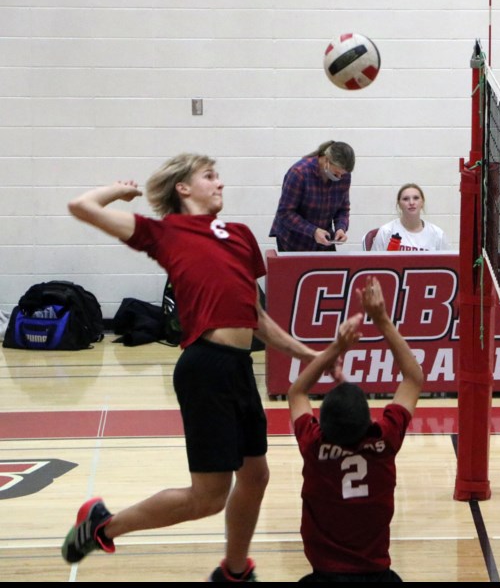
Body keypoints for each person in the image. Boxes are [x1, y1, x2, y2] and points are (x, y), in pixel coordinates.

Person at [62, 154, 321, 582]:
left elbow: (254, 315)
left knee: (255, 476)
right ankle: (103, 526)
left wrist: (304, 353)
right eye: (210, 176)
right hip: (205, 368)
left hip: (239, 368)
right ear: (184, 188)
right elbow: (81, 207)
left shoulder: (239, 235)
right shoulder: (165, 233)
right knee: (208, 497)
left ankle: (234, 571)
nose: (220, 183)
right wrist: (120, 191)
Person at [288, 277, 424, 582]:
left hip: (323, 576)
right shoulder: (384, 439)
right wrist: (382, 320)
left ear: (320, 425)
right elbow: (413, 378)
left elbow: (297, 393)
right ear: (372, 422)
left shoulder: (313, 444)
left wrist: (337, 346)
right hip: (377, 576)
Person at [270, 140, 355, 252]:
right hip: (293, 241)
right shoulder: (299, 173)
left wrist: (341, 228)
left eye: (342, 174)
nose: (339, 177)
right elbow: (285, 213)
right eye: (336, 173)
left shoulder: (344, 176)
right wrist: (313, 231)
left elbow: (343, 209)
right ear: (326, 160)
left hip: (324, 241)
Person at [370, 183, 448, 251]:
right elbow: (373, 265)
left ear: (422, 202)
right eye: (406, 199)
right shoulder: (386, 232)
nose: (411, 202)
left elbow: (447, 264)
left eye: (416, 198)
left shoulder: (437, 234)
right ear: (399, 204)